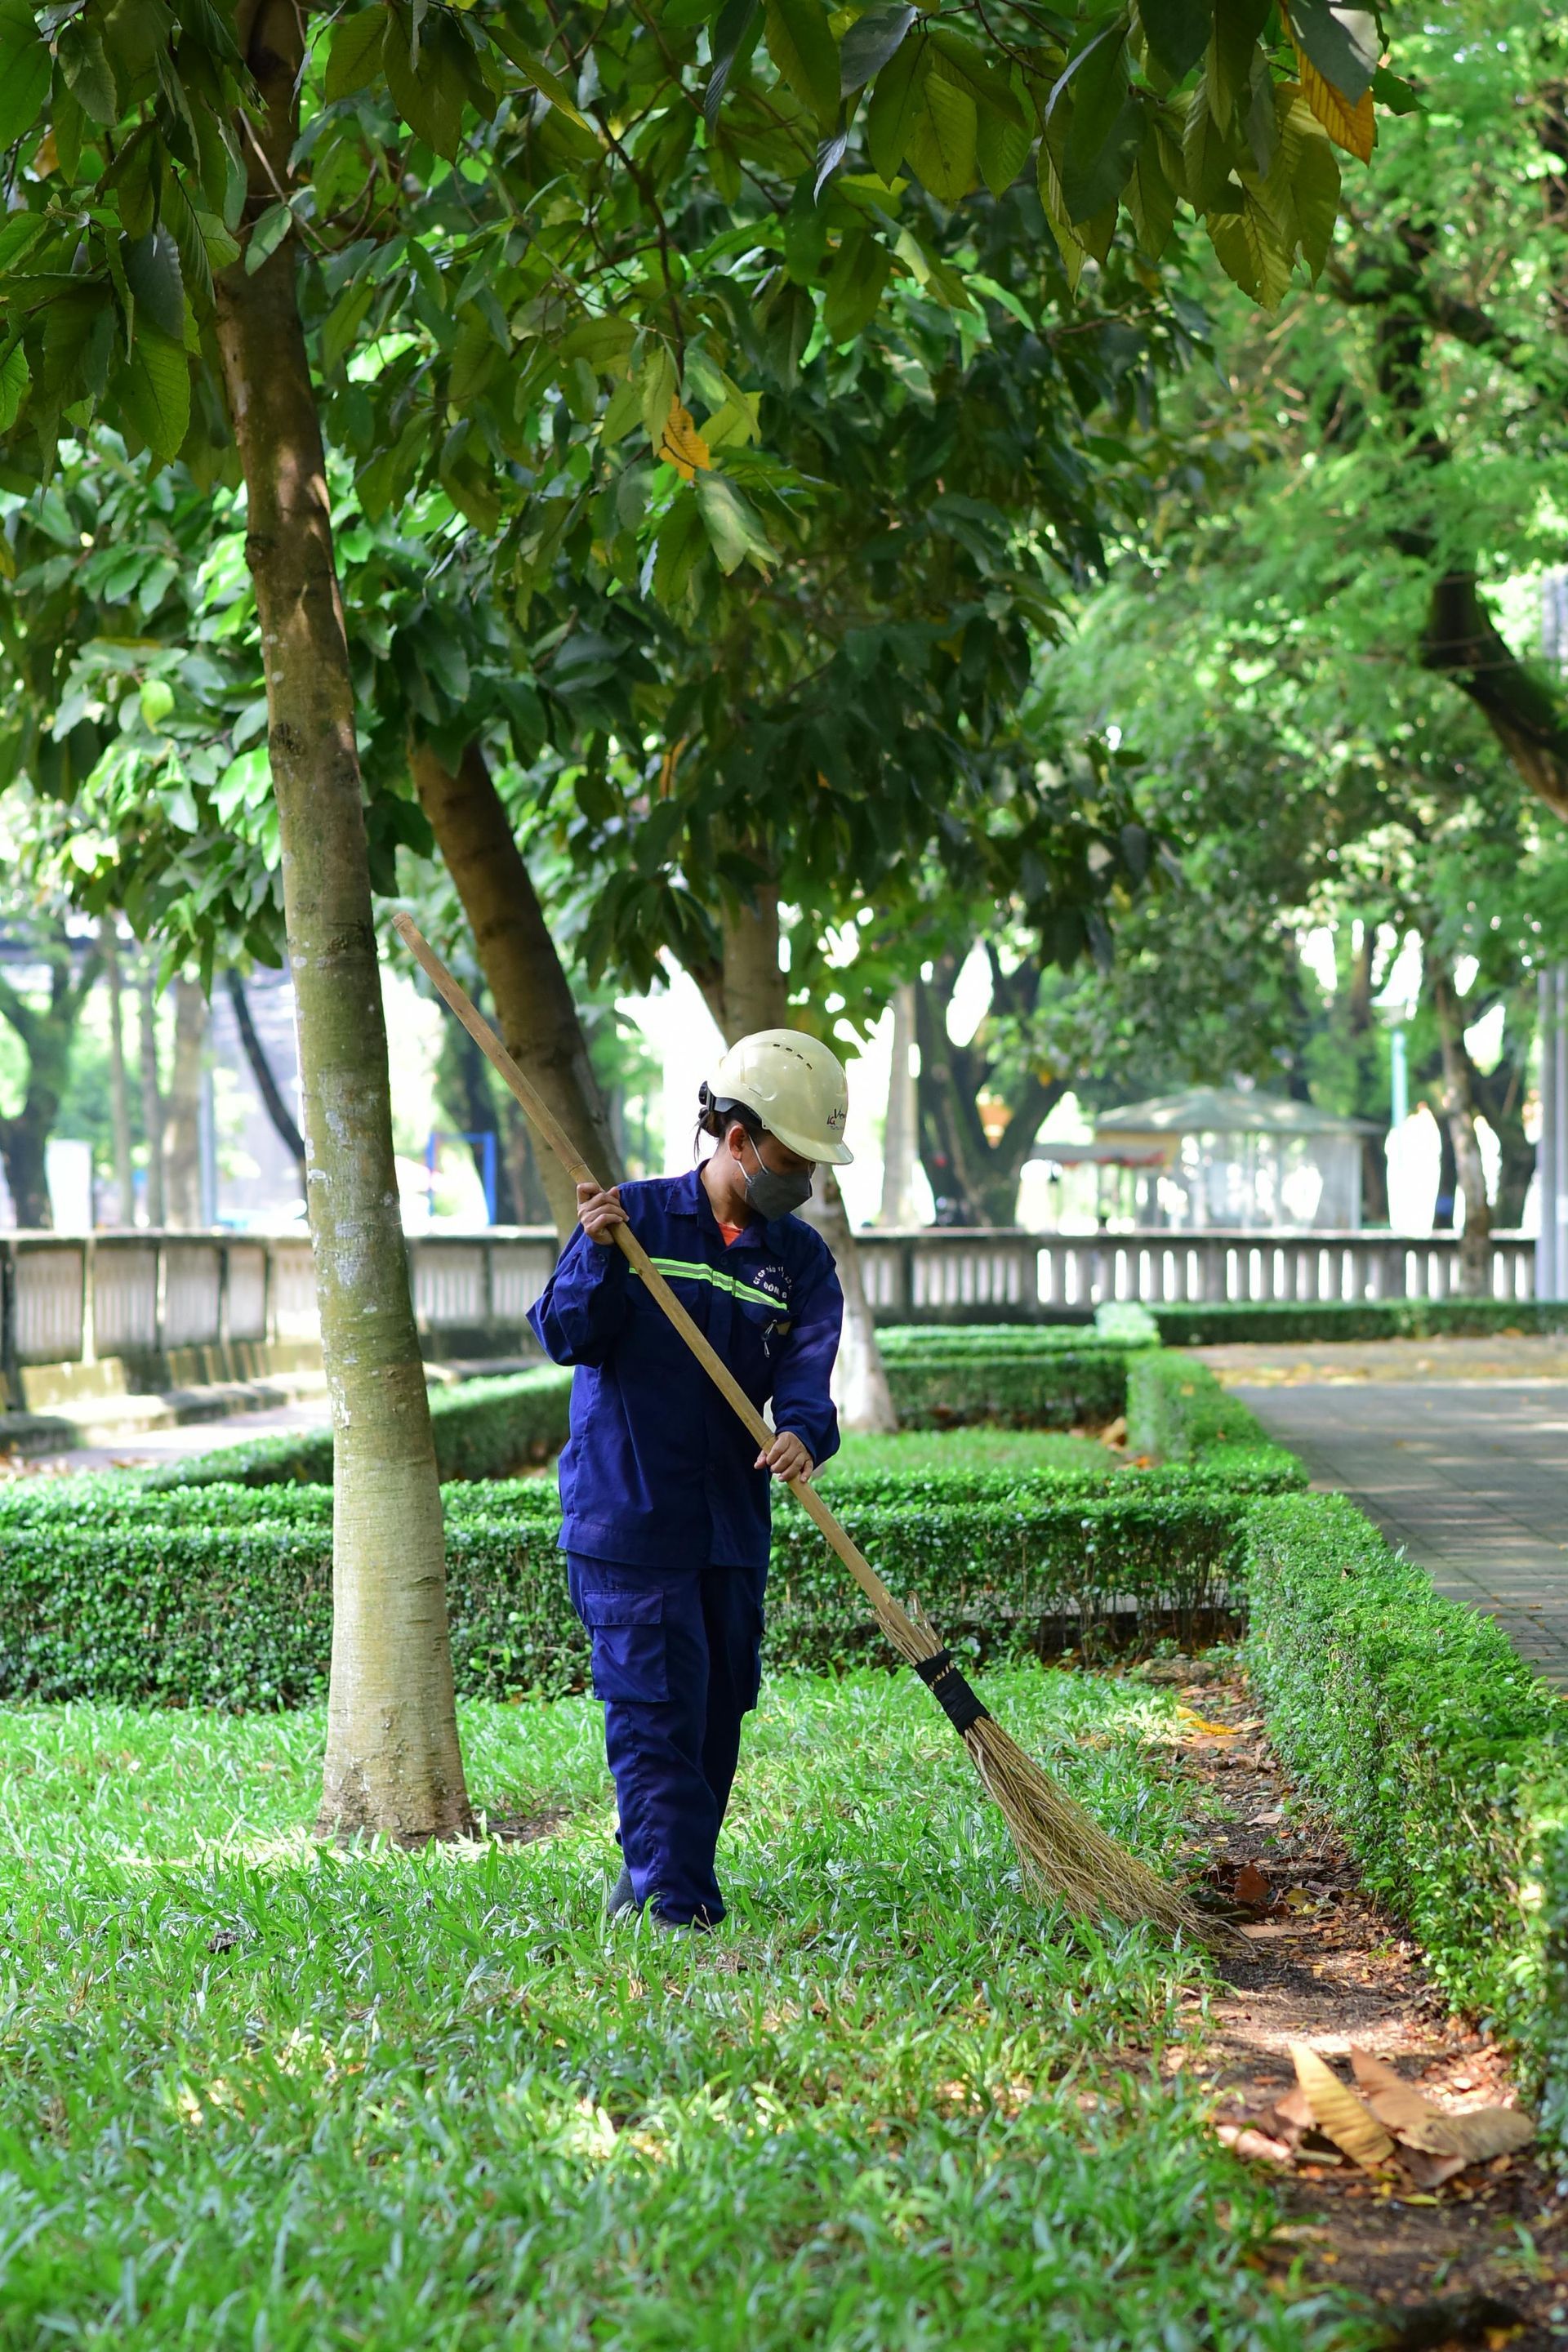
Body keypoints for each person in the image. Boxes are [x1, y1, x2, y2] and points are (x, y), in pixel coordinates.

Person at [528, 1029, 851, 1931]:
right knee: (656, 1713)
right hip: (631, 1521)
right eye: (793, 1160)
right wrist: (595, 1251)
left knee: (714, 1718)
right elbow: (564, 1337)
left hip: (730, 1527)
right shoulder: (631, 1222)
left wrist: (801, 1435)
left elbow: (808, 1379)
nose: (805, 1183)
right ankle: (679, 1908)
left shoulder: (800, 1262)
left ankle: (652, 1878)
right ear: (738, 1139)